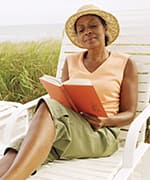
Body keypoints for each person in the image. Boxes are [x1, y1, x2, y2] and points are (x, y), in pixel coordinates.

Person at [0, 4, 138, 180]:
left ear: (105, 29)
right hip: (70, 127)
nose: (87, 31)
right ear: (79, 37)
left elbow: (129, 113)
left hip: (102, 134)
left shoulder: (125, 63)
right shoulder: (70, 61)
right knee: (16, 150)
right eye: (81, 30)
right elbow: (63, 98)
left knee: (47, 107)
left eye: (93, 26)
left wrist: (105, 121)